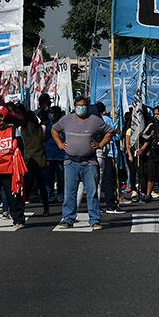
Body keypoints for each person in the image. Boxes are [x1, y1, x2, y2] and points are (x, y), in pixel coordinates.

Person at [52, 94, 110, 230]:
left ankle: (95, 220)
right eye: (78, 106)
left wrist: (100, 144)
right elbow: (54, 130)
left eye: (83, 106)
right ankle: (68, 219)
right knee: (69, 193)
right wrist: (60, 143)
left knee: (92, 192)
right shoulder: (66, 119)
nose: (81, 108)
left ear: (87, 107)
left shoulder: (94, 120)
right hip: (70, 162)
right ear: (75, 106)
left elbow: (110, 131)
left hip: (89, 162)